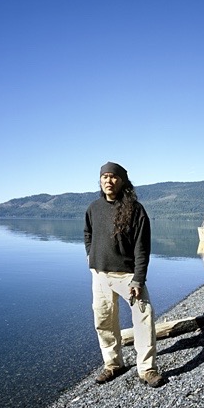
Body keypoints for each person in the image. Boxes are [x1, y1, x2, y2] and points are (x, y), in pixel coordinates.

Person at [84, 162, 164, 388]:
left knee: (144, 318)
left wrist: (139, 278)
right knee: (104, 321)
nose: (109, 181)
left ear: (123, 181)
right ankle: (113, 364)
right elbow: (87, 233)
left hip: (128, 276)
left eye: (114, 177)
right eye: (104, 177)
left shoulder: (135, 209)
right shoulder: (93, 208)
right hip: (99, 275)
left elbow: (142, 247)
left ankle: (147, 369)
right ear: (100, 181)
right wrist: (91, 257)